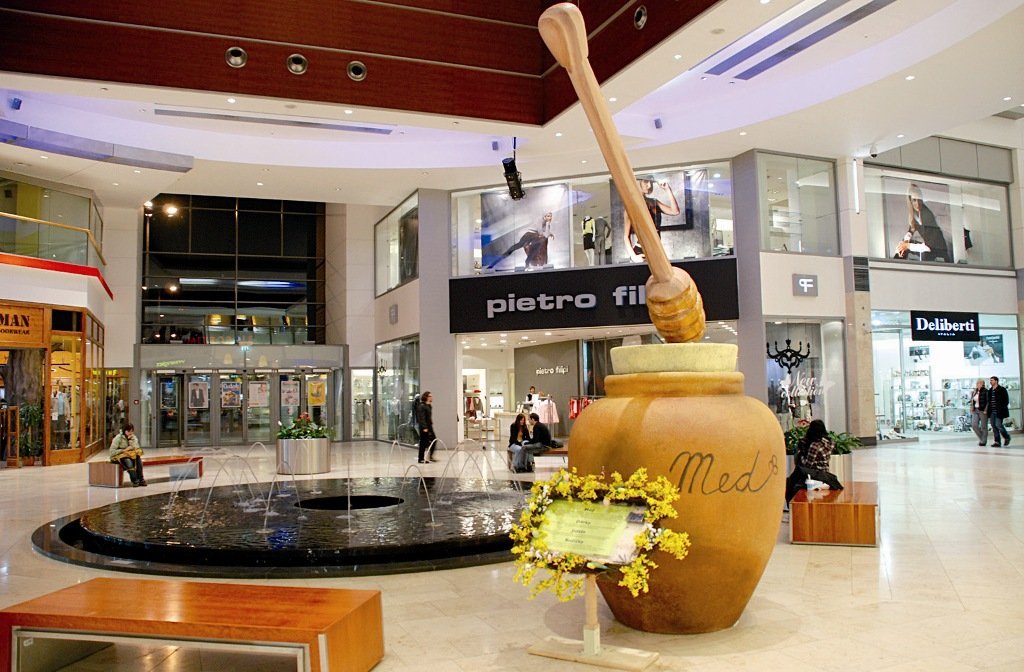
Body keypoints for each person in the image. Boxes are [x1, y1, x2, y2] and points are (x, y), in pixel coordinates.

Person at [784, 419, 843, 503]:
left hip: (814, 475)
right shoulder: (830, 442)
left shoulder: (815, 446)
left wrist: (801, 454)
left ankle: (790, 503)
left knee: (792, 479)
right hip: (825, 473)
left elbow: (808, 465)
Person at [623, 176, 679, 262]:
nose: (649, 185)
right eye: (646, 182)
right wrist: (633, 256)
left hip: (655, 252)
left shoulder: (654, 202)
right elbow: (626, 236)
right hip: (641, 252)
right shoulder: (631, 207)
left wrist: (668, 190)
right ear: (637, 183)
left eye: (651, 182)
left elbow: (675, 211)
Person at [892, 183, 950, 262]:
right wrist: (905, 242)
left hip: (937, 252)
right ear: (910, 201)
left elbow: (928, 247)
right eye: (914, 200)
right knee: (902, 246)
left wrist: (907, 246)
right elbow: (911, 230)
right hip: (929, 250)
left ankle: (895, 264)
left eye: (919, 199)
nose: (917, 203)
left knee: (906, 247)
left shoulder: (927, 214)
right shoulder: (915, 214)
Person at [488, 211, 554, 269]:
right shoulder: (540, 221)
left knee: (534, 250)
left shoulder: (546, 223)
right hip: (529, 235)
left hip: (535, 237)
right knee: (514, 248)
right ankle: (494, 262)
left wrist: (549, 232)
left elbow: (545, 234)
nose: (550, 218)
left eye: (550, 216)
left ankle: (527, 264)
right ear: (544, 216)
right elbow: (543, 233)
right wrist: (547, 229)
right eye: (548, 216)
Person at [988, 376, 1011, 447]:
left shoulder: (1002, 389)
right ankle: (997, 441)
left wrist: (1002, 408)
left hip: (999, 411)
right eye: (990, 380)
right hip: (992, 411)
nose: (990, 382)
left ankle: (1006, 437)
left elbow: (1006, 400)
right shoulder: (990, 390)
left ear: (996, 381)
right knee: (993, 426)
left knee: (998, 425)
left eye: (992, 380)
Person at [416, 390, 436, 463]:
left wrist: (430, 422)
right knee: (423, 443)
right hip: (424, 427)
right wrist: (424, 427)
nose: (431, 397)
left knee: (433, 440)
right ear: (426, 397)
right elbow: (421, 417)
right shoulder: (422, 406)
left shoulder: (429, 406)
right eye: (430, 396)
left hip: (429, 426)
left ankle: (430, 456)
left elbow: (428, 416)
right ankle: (421, 458)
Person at [969, 378, 990, 446]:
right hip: (975, 410)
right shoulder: (975, 391)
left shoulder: (986, 391)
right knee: (974, 425)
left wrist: (986, 409)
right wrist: (972, 407)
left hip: (982, 410)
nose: (978, 384)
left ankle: (983, 441)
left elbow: (988, 402)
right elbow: (972, 400)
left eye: (980, 383)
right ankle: (982, 438)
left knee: (984, 426)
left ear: (983, 384)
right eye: (977, 383)